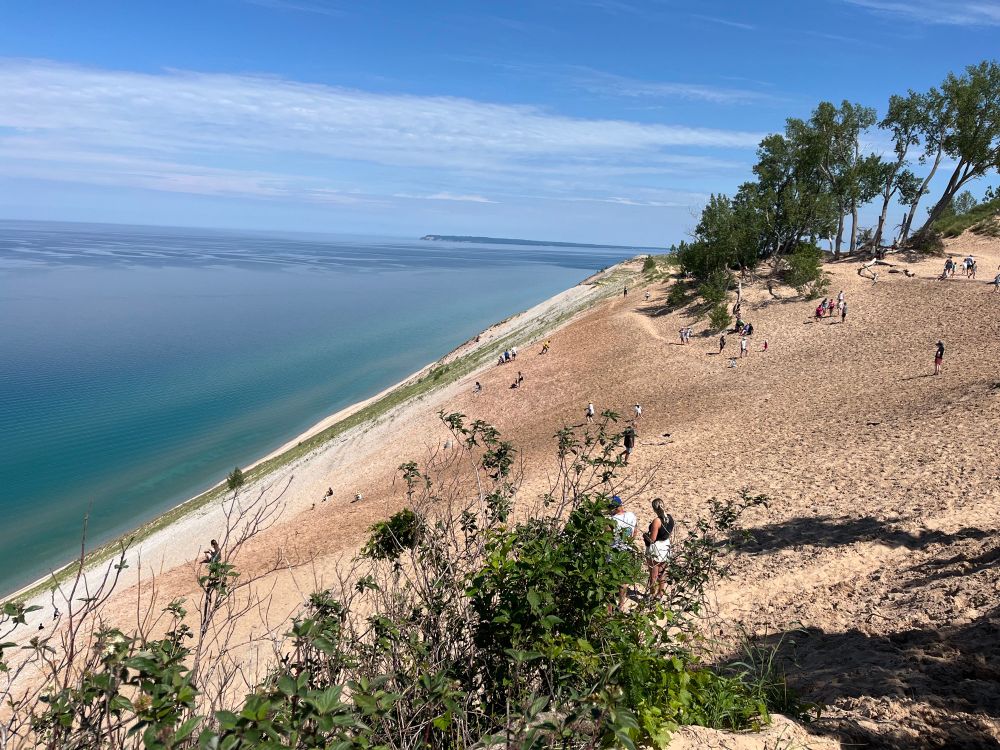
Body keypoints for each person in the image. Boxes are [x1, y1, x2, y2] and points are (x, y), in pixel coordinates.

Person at [608, 495, 640, 609]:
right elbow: (635, 531)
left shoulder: (612, 520)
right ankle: (621, 605)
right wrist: (629, 542)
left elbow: (607, 536)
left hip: (614, 551)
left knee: (610, 580)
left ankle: (610, 609)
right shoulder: (631, 515)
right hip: (628, 550)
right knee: (623, 581)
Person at [645, 498, 674, 600]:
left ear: (654, 509)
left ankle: (652, 594)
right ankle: (660, 594)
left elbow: (652, 539)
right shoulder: (670, 518)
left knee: (653, 575)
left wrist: (645, 536)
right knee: (662, 574)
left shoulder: (657, 521)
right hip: (666, 546)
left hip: (656, 548)